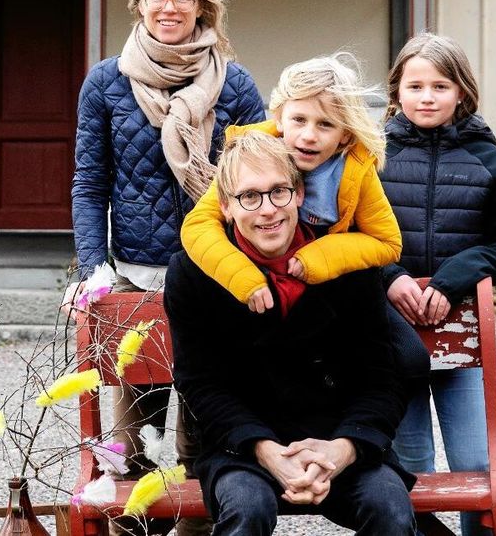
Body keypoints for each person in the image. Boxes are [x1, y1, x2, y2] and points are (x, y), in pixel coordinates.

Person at [71, 0, 266, 536]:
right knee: (136, 431)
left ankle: (197, 529)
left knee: (204, 426)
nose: (169, 8)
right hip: (136, 274)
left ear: (202, 4)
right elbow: (89, 181)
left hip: (214, 273)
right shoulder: (106, 83)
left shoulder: (234, 84)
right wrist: (91, 266)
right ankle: (137, 528)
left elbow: (261, 177)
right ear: (139, 2)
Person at [165, 131, 416, 536]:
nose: (267, 210)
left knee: (389, 507)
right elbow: (201, 383)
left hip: (338, 437)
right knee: (246, 508)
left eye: (279, 191)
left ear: (299, 194)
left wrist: (343, 449)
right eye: (249, 197)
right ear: (225, 206)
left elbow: (381, 376)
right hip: (246, 447)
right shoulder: (193, 273)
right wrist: (265, 451)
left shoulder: (345, 260)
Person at [180, 54, 428, 395]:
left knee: (411, 359)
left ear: (344, 135)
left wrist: (319, 258)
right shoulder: (251, 155)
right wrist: (244, 279)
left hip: (331, 284)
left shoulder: (354, 169)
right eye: (299, 119)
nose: (309, 135)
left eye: (325, 124)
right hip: (263, 278)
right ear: (280, 118)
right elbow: (198, 225)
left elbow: (387, 242)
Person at [380, 32, 496, 536]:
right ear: (397, 90)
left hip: (461, 337)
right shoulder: (371, 158)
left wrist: (452, 281)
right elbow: (345, 235)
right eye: (415, 85)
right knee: (411, 464)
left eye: (440, 86)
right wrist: (390, 276)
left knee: (475, 465)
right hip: (392, 337)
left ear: (462, 91)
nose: (427, 96)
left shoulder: (488, 161)